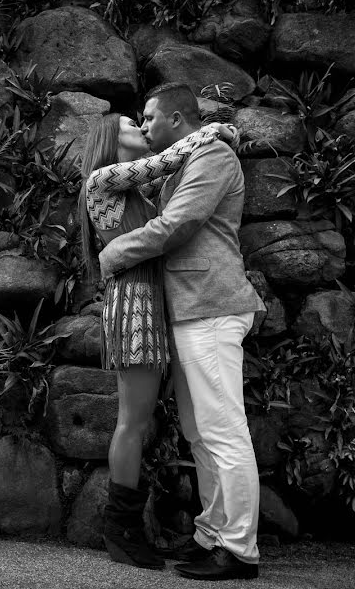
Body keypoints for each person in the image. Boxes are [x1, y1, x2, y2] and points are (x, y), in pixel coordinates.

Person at [97, 82, 266, 581]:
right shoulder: (184, 161)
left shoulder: (211, 155)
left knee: (222, 430)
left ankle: (238, 549)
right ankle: (211, 533)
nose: (144, 126)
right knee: (199, 432)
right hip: (191, 310)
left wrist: (113, 255)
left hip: (210, 305)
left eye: (148, 118)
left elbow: (178, 224)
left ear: (175, 118)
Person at [78, 113, 238, 572]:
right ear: (112, 136)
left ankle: (130, 529)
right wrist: (211, 130)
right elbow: (167, 160)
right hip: (133, 306)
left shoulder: (132, 193)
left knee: (142, 421)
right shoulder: (102, 180)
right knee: (133, 421)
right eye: (132, 122)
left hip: (152, 304)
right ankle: (121, 531)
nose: (141, 128)